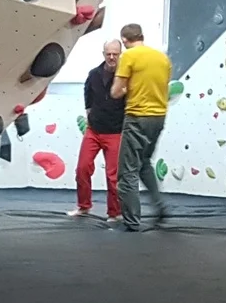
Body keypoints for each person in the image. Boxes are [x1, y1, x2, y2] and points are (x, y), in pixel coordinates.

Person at [110, 23, 172, 231]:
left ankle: (131, 222)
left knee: (127, 171)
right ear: (142, 36)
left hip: (137, 117)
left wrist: (125, 88)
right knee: (144, 163)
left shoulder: (129, 56)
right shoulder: (162, 58)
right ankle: (160, 206)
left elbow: (115, 92)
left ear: (124, 40)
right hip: (158, 117)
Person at [68, 40, 126, 220]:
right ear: (103, 54)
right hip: (93, 130)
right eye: (108, 54)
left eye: (115, 54)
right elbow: (88, 95)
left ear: (120, 54)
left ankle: (114, 212)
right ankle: (84, 206)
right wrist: (89, 114)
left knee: (113, 176)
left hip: (115, 132)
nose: (112, 57)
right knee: (82, 169)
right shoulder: (94, 74)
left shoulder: (126, 77)